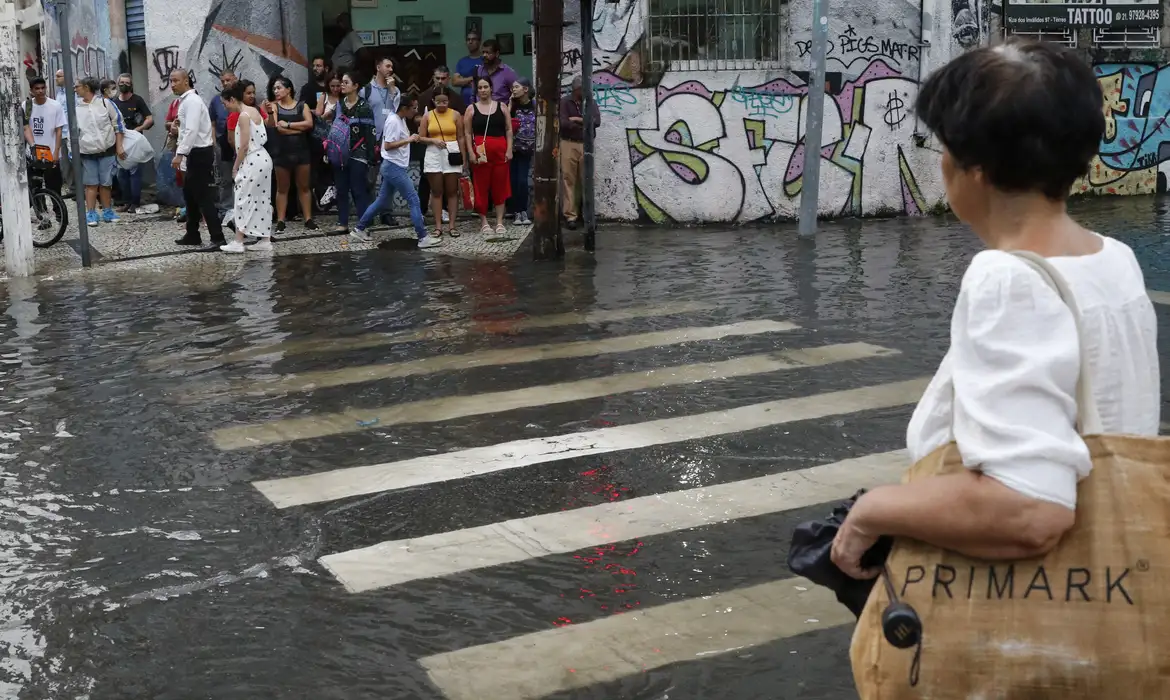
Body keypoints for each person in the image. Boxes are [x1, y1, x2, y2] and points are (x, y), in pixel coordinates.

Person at [830, 40, 1159, 581]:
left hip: (1036, 603)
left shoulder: (1006, 278)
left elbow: (1030, 511)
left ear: (973, 168)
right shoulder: (1114, 259)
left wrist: (874, 511)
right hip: (1115, 570)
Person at [352, 94, 439, 249]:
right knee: (413, 199)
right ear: (404, 108)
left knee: (382, 201)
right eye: (414, 108)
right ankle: (423, 236)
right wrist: (409, 140)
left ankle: (359, 228)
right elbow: (388, 145)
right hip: (393, 167)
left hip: (394, 166)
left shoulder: (400, 119)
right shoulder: (393, 121)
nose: (416, 110)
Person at [170, 68, 226, 249]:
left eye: (175, 81)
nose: (172, 84)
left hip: (199, 153)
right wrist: (177, 130)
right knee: (189, 195)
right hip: (193, 153)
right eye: (171, 81)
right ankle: (192, 234)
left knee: (203, 197)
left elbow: (193, 130)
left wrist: (180, 154)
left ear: (186, 81)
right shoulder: (184, 102)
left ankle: (218, 237)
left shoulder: (192, 101)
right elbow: (187, 129)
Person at [219, 83, 273, 254]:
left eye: (225, 103)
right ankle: (265, 239)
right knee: (262, 199)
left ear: (232, 99)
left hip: (252, 160)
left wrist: (235, 168)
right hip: (263, 158)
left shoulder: (243, 115)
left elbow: (243, 146)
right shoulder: (254, 110)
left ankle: (238, 241)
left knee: (242, 199)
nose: (225, 107)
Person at [264, 76, 317, 233]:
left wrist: (288, 125)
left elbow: (309, 124)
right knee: (282, 188)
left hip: (301, 151)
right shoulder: (274, 107)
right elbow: (274, 127)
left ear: (289, 89)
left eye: (279, 87)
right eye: (274, 88)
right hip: (282, 152)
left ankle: (308, 219)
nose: (276, 91)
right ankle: (281, 220)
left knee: (304, 186)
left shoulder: (302, 106)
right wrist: (296, 129)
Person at [328, 71, 376, 237]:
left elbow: (370, 134)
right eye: (342, 82)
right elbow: (333, 129)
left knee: (358, 190)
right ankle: (342, 223)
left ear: (356, 86)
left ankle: (362, 225)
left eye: (346, 82)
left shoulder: (365, 107)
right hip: (340, 153)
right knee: (341, 189)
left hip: (358, 154)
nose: (342, 85)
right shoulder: (339, 105)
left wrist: (371, 158)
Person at [416, 65, 466, 226]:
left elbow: (461, 128)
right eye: (437, 78)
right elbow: (415, 118)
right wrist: (427, 119)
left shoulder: (456, 99)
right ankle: (422, 211)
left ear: (448, 79)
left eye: (443, 78)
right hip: (430, 147)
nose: (440, 81)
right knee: (427, 182)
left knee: (451, 186)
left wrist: (464, 157)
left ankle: (448, 216)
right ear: (433, 78)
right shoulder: (424, 97)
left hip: (451, 148)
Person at [74, 76, 126, 226]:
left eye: (78, 86)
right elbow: (72, 133)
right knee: (91, 184)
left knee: (106, 183)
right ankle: (91, 213)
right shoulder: (76, 109)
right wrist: (73, 152)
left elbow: (118, 124)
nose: (75, 89)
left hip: (107, 150)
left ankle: (107, 211)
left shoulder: (105, 103)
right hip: (87, 152)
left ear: (86, 88)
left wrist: (119, 146)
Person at [464, 76, 512, 234]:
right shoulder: (471, 109)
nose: (483, 90)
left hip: (500, 152)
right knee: (481, 187)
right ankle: (484, 222)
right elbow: (467, 132)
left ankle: (499, 222)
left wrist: (509, 149)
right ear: (477, 91)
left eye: (486, 87)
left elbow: (508, 130)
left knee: (500, 186)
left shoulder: (502, 107)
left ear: (491, 88)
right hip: (480, 154)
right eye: (480, 88)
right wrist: (470, 152)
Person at [558, 75, 601, 230]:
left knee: (587, 179)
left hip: (586, 144)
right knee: (569, 179)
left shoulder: (590, 102)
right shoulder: (565, 102)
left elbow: (596, 121)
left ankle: (587, 214)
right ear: (576, 89)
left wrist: (577, 119)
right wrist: (584, 122)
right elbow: (563, 124)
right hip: (568, 143)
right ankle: (570, 216)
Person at [113, 73, 154, 213]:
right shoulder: (114, 102)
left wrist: (139, 129)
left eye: (127, 82)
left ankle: (135, 203)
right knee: (122, 174)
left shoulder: (137, 100)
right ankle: (126, 201)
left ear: (131, 85)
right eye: (121, 82)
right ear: (117, 84)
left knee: (134, 173)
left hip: (135, 143)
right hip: (120, 142)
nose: (124, 84)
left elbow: (149, 118)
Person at [22, 76, 67, 194]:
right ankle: (40, 210)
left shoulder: (55, 105)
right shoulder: (26, 106)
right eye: (37, 88)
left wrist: (56, 152)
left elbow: (59, 130)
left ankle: (58, 211)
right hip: (33, 153)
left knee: (54, 187)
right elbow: (25, 127)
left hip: (50, 152)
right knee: (34, 187)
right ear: (31, 90)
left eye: (43, 88)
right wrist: (33, 147)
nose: (40, 91)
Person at [507, 78, 535, 225]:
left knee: (523, 180)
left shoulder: (535, 106)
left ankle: (523, 210)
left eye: (516, 87)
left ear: (525, 89)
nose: (514, 89)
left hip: (529, 149)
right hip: (513, 148)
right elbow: (505, 124)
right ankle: (516, 212)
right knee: (514, 180)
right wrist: (510, 104)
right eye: (513, 87)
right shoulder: (512, 107)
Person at [475, 39, 519, 105]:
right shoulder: (479, 70)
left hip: (501, 111)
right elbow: (474, 93)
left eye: (487, 52)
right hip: (481, 111)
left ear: (497, 54)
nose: (484, 55)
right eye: (483, 52)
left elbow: (517, 93)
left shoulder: (507, 72)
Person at [54, 69, 73, 193]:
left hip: (70, 133)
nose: (56, 79)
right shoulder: (59, 93)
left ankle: (77, 189)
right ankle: (72, 188)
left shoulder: (72, 93)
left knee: (73, 162)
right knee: (65, 163)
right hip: (62, 132)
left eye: (58, 76)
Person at [453, 31, 484, 108]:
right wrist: (473, 78)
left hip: (483, 102)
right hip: (465, 103)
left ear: (479, 42)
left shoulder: (485, 60)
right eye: (468, 39)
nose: (470, 42)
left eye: (473, 39)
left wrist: (463, 80)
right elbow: (455, 81)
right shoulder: (462, 62)